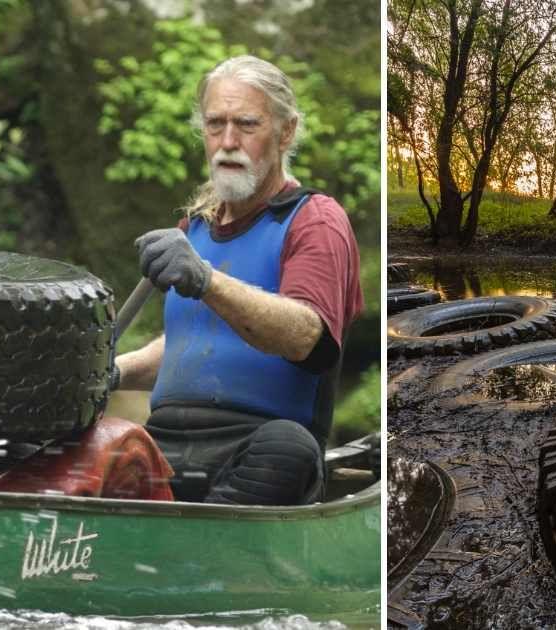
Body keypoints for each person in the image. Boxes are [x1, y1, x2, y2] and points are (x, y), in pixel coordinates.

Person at [112, 55, 363, 506]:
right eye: (215, 125)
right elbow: (190, 343)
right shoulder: (196, 229)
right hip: (167, 444)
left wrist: (207, 280)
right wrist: (114, 371)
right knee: (104, 442)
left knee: (289, 447)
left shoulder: (316, 220)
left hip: (258, 448)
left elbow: (307, 334)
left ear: (286, 132)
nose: (228, 142)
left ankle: (203, 545)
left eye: (247, 125)